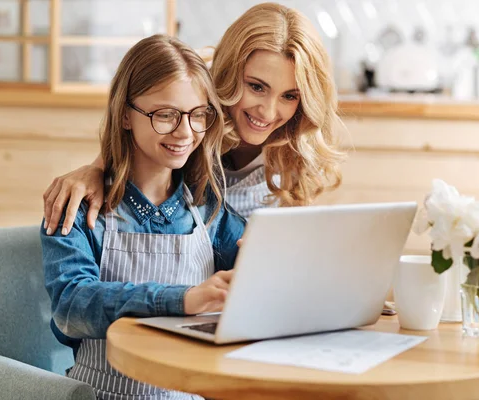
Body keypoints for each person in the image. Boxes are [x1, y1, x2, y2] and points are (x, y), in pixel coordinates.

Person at [41, 34, 245, 400]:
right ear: (124, 115)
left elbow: (254, 277)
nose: (185, 132)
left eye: (198, 115)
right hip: (101, 392)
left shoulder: (208, 210)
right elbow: (71, 307)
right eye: (165, 115)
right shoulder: (77, 207)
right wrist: (182, 300)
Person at [43, 2, 346, 235]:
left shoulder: (295, 143)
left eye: (289, 96)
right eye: (256, 87)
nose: (267, 112)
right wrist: (94, 171)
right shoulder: (190, 111)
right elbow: (123, 152)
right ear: (228, 73)